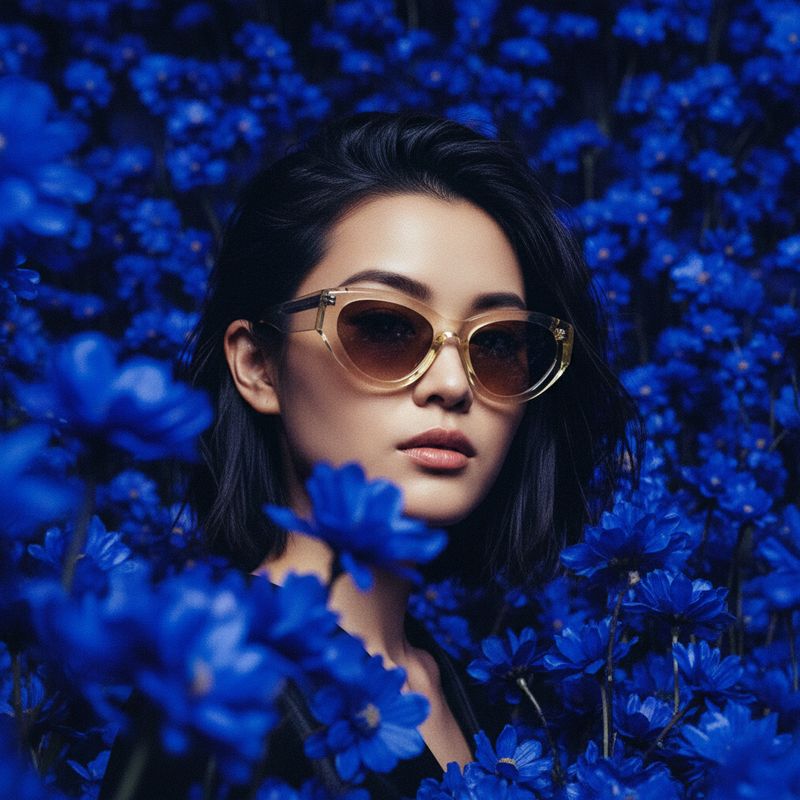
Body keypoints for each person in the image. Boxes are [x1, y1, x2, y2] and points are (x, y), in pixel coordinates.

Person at [100, 111, 640, 798]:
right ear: (259, 366)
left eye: (498, 344)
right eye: (385, 327)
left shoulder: (456, 691)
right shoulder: (210, 689)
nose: (451, 385)